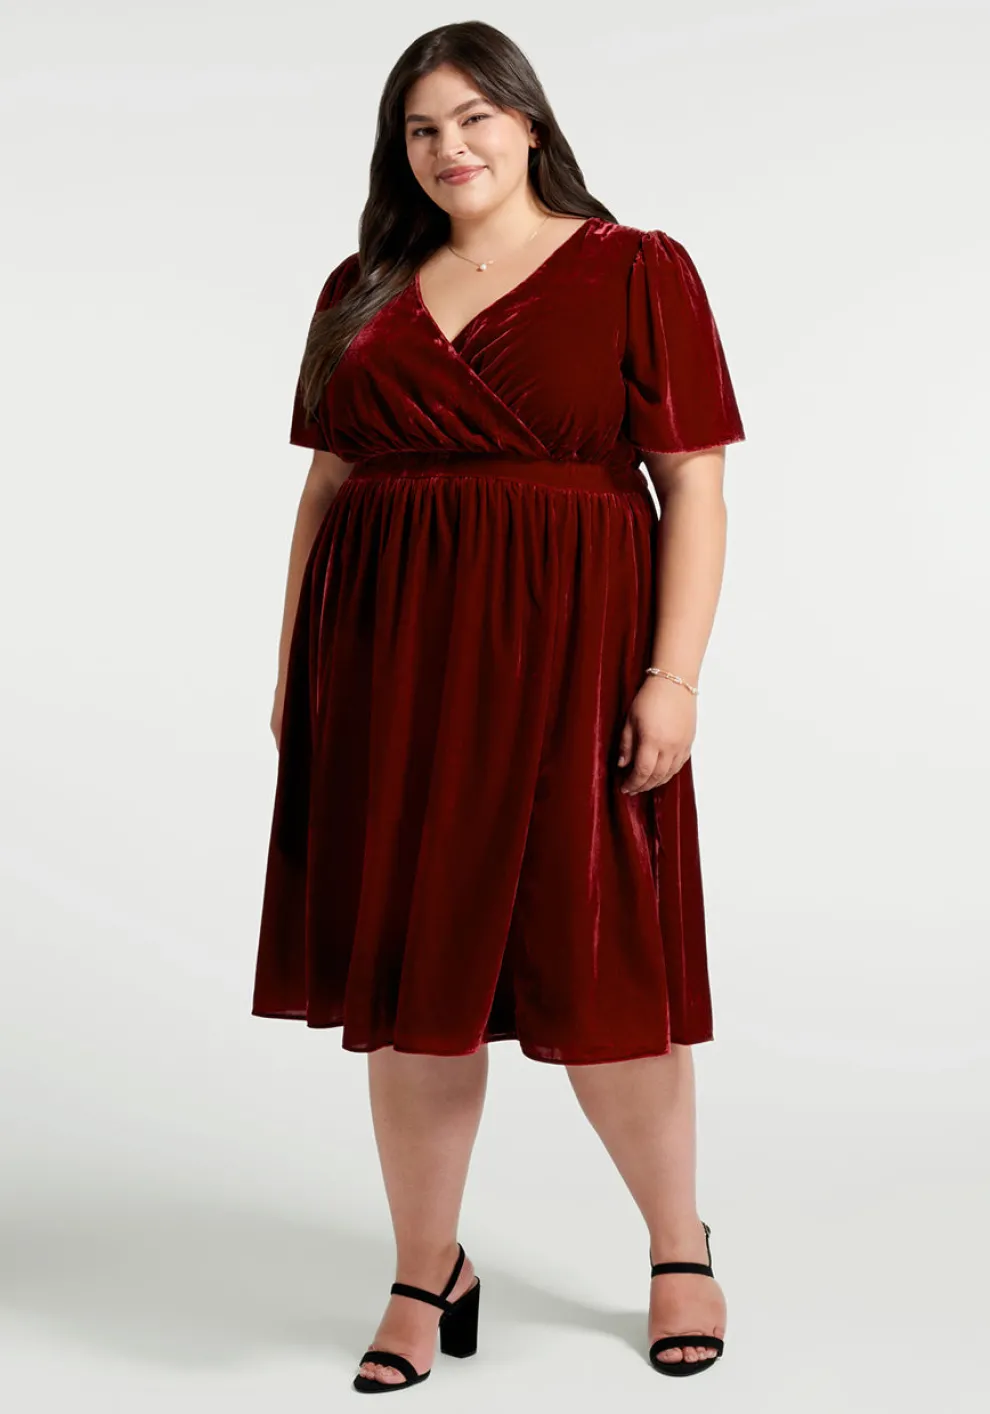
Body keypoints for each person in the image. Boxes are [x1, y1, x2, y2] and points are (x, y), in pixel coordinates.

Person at [252, 19, 745, 1394]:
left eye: (473, 117)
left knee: (605, 969)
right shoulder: (360, 287)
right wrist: (293, 672)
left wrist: (671, 676)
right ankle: (426, 1268)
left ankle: (678, 1245)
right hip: (389, 668)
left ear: (529, 122)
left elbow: (693, 483)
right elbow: (327, 487)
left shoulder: (635, 267)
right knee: (417, 988)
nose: (449, 146)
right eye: (420, 129)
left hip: (575, 662)